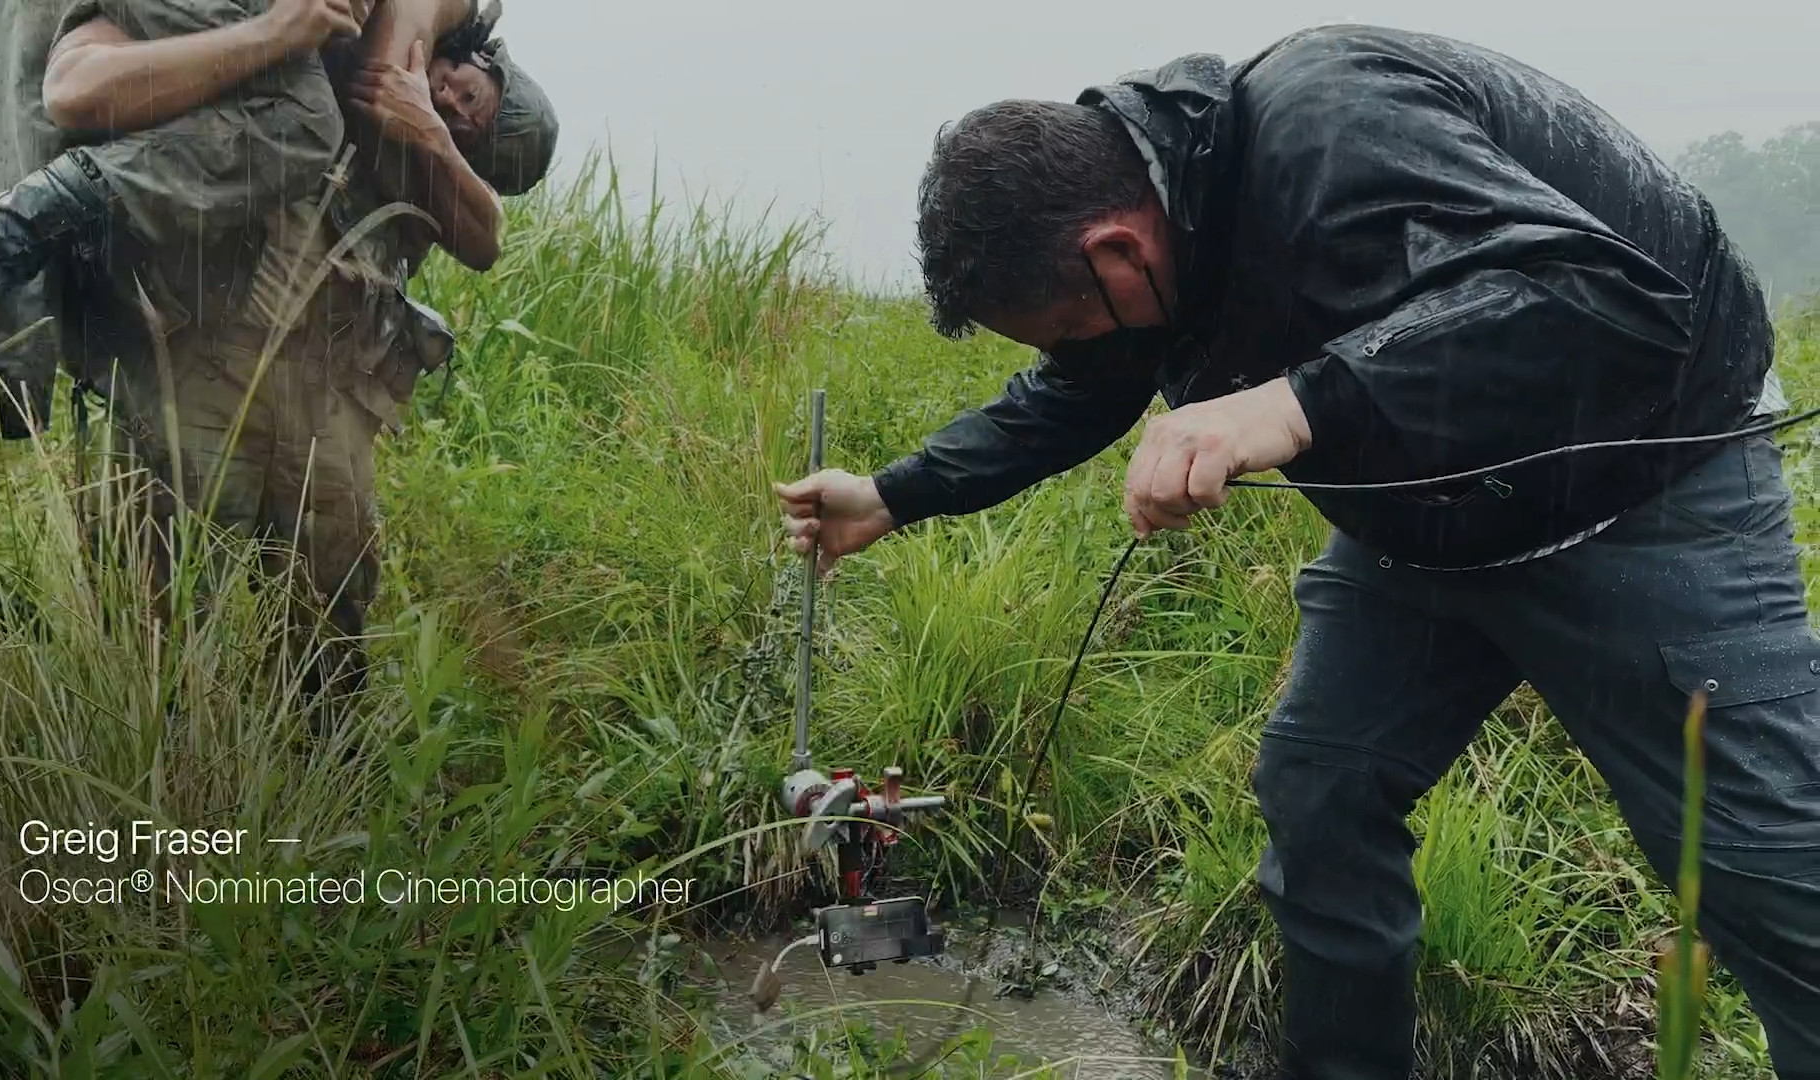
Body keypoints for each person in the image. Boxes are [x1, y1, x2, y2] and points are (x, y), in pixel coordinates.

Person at [775, 24, 1819, 1080]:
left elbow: (1612, 302)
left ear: (1114, 250)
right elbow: (1082, 391)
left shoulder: (1340, 127)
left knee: (1765, 869)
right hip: (1420, 529)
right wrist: (894, 496)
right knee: (1321, 790)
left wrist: (1291, 402)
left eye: (1063, 330)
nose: (1074, 356)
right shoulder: (1161, 233)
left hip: (1645, 490)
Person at [0, 0, 557, 690]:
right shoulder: (366, 44)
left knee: (329, 616)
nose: (451, 104)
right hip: (188, 351)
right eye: (467, 92)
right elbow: (77, 87)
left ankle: (318, 766)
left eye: (469, 126)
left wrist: (428, 133)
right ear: (478, 54)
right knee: (148, 611)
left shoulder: (427, 165)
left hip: (321, 398)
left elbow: (486, 238)